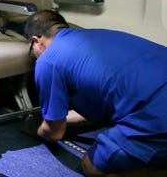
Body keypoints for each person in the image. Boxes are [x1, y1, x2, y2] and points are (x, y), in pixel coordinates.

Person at [23, 10, 167, 176]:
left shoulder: (48, 60)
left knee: (91, 166)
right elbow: (101, 100)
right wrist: (60, 117)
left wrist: (39, 129)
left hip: (157, 115)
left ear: (36, 40)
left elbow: (55, 133)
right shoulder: (97, 34)